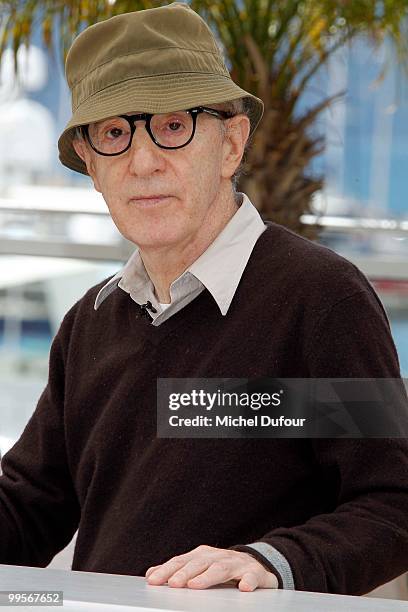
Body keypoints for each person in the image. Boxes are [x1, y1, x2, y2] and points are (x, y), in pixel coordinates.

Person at [0, 2, 407, 596]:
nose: (142, 162)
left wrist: (273, 562)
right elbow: (31, 507)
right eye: (114, 134)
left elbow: (393, 503)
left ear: (231, 145)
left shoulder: (321, 300)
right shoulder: (90, 322)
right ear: (90, 165)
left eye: (173, 125)